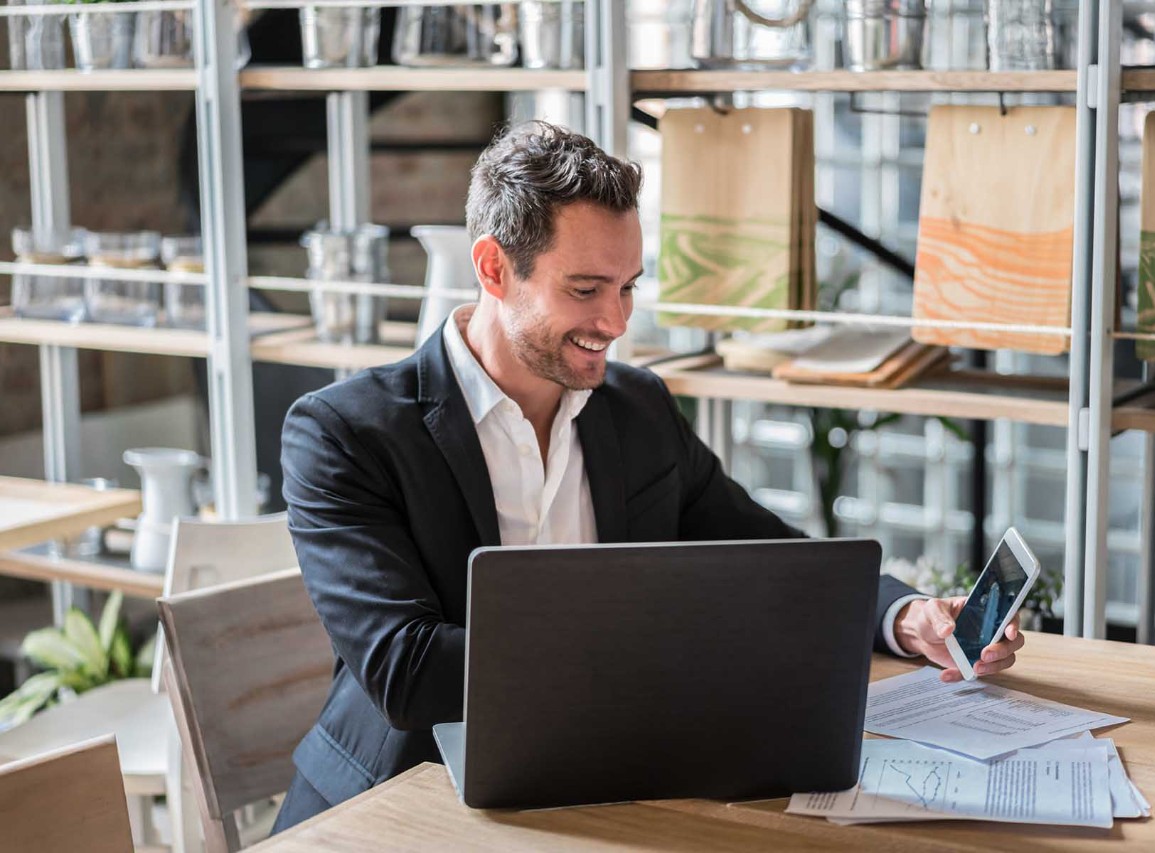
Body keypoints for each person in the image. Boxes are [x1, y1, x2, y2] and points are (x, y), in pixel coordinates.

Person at [272, 121, 1024, 832]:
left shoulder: (636, 408)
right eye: (586, 288)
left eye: (628, 285)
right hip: (402, 804)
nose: (616, 319)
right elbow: (406, 672)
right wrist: (660, 640)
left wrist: (907, 615)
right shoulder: (344, 433)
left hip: (601, 790)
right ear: (494, 268)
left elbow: (777, 560)